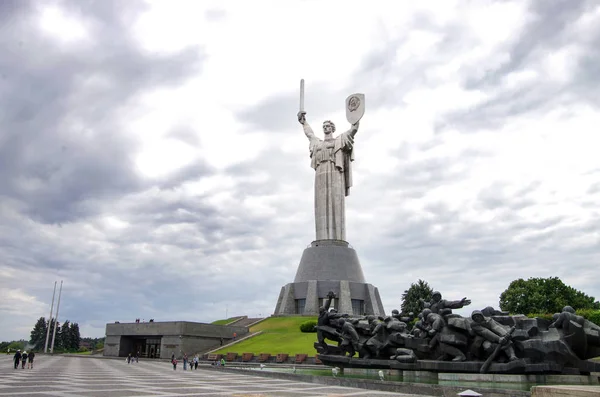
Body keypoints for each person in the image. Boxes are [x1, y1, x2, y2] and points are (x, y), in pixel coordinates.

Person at [297, 110, 360, 241]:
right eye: (324, 126)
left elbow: (352, 131)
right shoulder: (318, 143)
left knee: (336, 203)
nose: (326, 128)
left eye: (328, 126)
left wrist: (356, 118)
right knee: (321, 206)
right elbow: (309, 134)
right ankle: (322, 239)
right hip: (320, 174)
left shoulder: (340, 140)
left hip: (335, 172)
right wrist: (304, 123)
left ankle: (337, 239)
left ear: (332, 128)